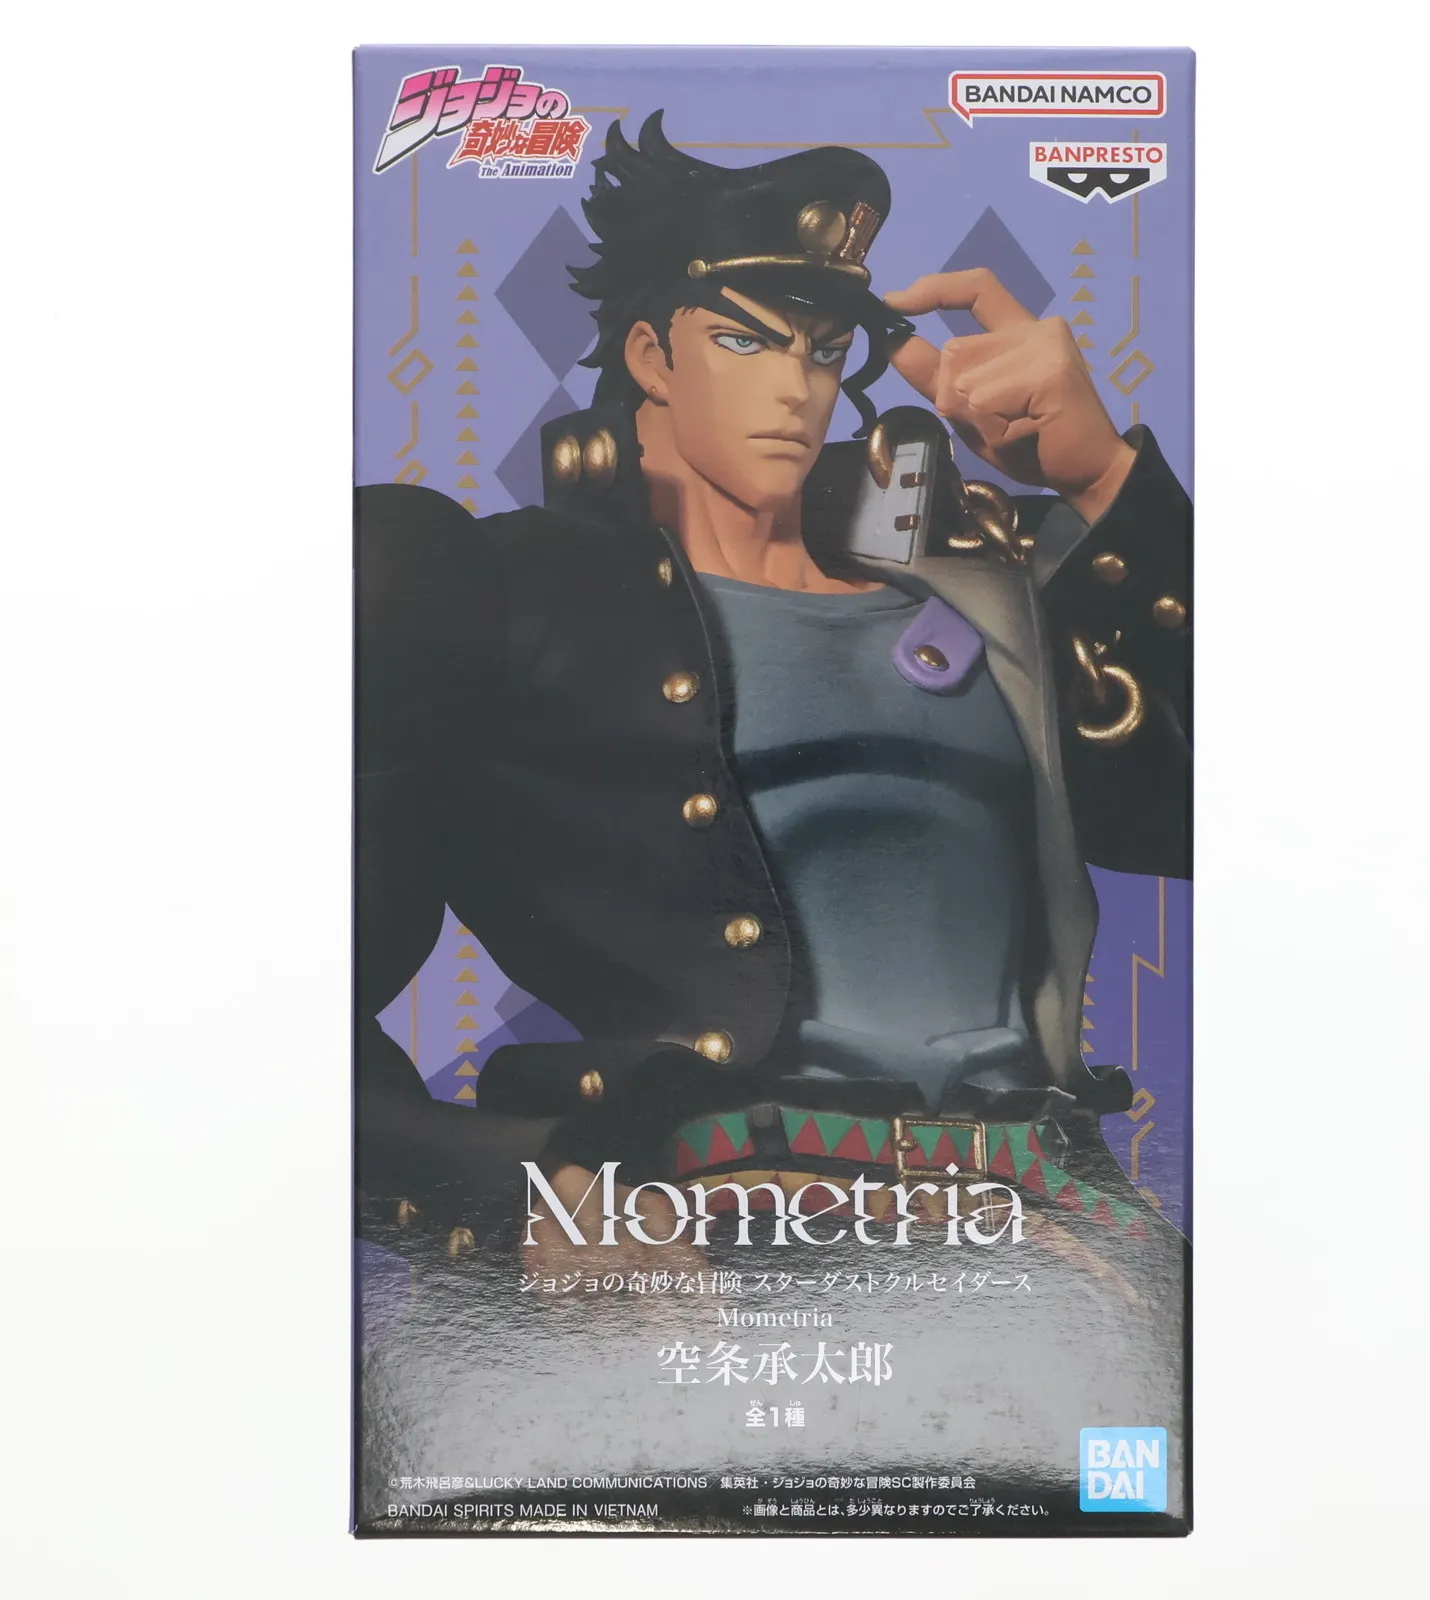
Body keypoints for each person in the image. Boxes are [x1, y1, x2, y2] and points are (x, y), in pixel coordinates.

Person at [355, 112, 1192, 1257]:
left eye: (823, 349)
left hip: (1054, 1227)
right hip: (711, 1221)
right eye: (745, 341)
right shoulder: (492, 593)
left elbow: (1214, 823)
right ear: (650, 357)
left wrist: (1106, 486)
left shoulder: (989, 576)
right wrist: (522, 1197)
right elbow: (292, 1013)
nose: (796, 386)